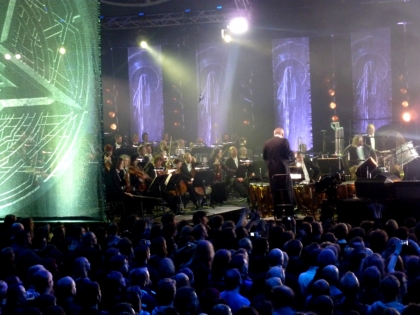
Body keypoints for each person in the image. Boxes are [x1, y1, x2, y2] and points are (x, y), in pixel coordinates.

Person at [263, 127, 294, 217]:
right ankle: (289, 213)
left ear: (274, 133)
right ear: (282, 134)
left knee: (275, 192)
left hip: (272, 172)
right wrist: (293, 157)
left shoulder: (266, 143)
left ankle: (278, 213)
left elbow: (265, 158)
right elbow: (289, 154)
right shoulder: (284, 141)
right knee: (287, 191)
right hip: (283, 170)